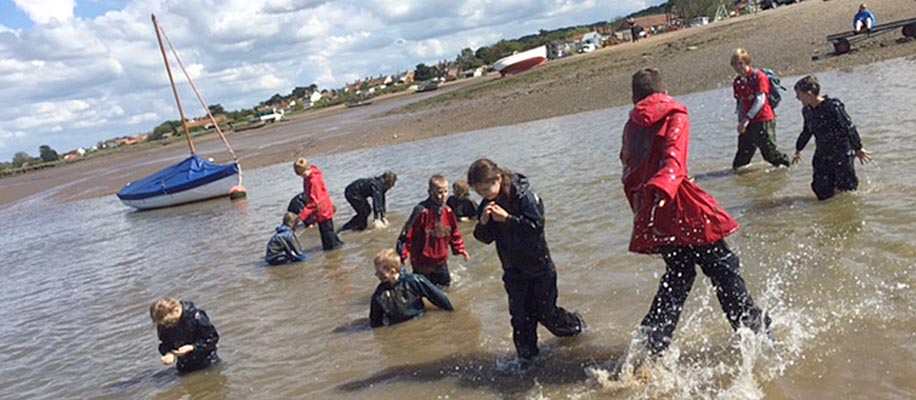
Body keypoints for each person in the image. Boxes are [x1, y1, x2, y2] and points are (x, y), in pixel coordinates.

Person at [621, 68, 769, 357]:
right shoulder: (675, 113)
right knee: (724, 269)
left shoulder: (631, 125)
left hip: (657, 211)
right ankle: (756, 335)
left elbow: (629, 171)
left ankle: (651, 345)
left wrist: (644, 209)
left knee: (678, 275)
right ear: (664, 92)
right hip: (682, 207)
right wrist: (665, 188)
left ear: (634, 97)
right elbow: (674, 159)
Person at [467, 158, 585, 366]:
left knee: (546, 313)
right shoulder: (487, 204)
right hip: (512, 269)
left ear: (498, 179)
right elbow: (484, 238)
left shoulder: (523, 195)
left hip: (539, 266)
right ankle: (526, 361)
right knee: (520, 317)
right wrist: (483, 223)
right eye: (479, 192)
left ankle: (576, 326)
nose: (483, 195)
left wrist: (508, 219)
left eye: (486, 189)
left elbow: (536, 226)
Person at [792, 75, 872, 200]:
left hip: (841, 151)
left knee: (847, 189)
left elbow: (849, 127)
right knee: (821, 189)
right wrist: (798, 149)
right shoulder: (807, 110)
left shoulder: (833, 106)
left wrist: (858, 148)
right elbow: (807, 131)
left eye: (798, 94)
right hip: (822, 152)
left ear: (808, 94)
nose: (797, 98)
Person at [396, 175, 471, 288]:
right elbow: (407, 235)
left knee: (445, 288)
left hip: (441, 261)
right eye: (439, 192)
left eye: (446, 191)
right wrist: (402, 256)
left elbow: (454, 233)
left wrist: (460, 249)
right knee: (423, 290)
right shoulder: (421, 211)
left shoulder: (448, 211)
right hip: (422, 263)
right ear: (430, 192)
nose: (443, 196)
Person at [730, 48, 791, 170]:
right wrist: (741, 122)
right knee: (740, 162)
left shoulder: (759, 76)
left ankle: (787, 165)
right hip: (747, 123)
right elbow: (741, 103)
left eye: (740, 63)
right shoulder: (737, 82)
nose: (738, 67)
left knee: (770, 155)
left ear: (747, 62)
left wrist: (746, 119)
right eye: (735, 64)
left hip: (763, 119)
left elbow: (760, 100)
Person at [369, 248, 454, 328]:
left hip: (420, 321)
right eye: (377, 273)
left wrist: (451, 314)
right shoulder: (379, 295)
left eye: (380, 273)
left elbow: (439, 298)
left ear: (392, 271)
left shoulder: (415, 281)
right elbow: (375, 322)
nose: (377, 275)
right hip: (397, 327)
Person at [150, 297, 220, 373]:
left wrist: (193, 347)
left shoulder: (196, 316)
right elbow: (165, 343)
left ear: (176, 310)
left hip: (207, 361)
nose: (167, 326)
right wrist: (169, 353)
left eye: (169, 322)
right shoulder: (163, 324)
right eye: (163, 324)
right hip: (184, 365)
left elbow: (213, 338)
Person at [293, 158, 343, 250]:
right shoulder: (309, 177)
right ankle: (337, 247)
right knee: (328, 233)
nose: (302, 176)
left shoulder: (314, 181)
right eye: (300, 175)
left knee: (328, 238)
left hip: (323, 211)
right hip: (323, 209)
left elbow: (314, 202)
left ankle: (335, 251)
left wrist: (302, 216)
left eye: (303, 174)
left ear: (308, 168)